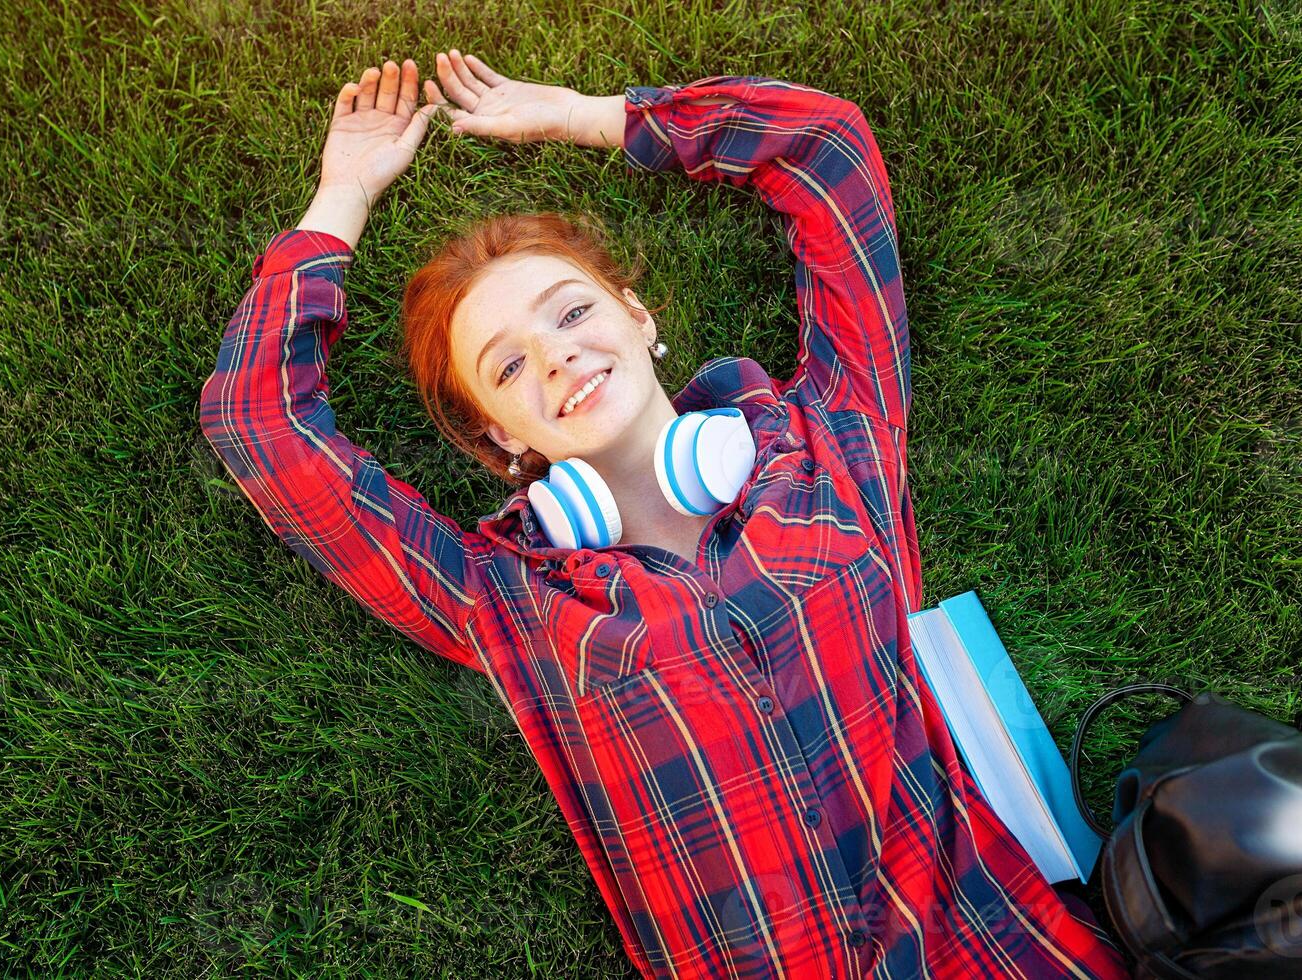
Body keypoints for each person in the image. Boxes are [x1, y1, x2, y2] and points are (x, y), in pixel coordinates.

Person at [199, 50, 1131, 979]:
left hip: (1002, 949)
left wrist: (587, 115)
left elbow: (825, 146)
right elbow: (258, 422)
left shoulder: (834, 439)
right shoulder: (504, 599)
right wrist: (342, 198)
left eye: (570, 313)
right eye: (510, 365)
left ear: (638, 314)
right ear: (499, 431)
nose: (557, 358)